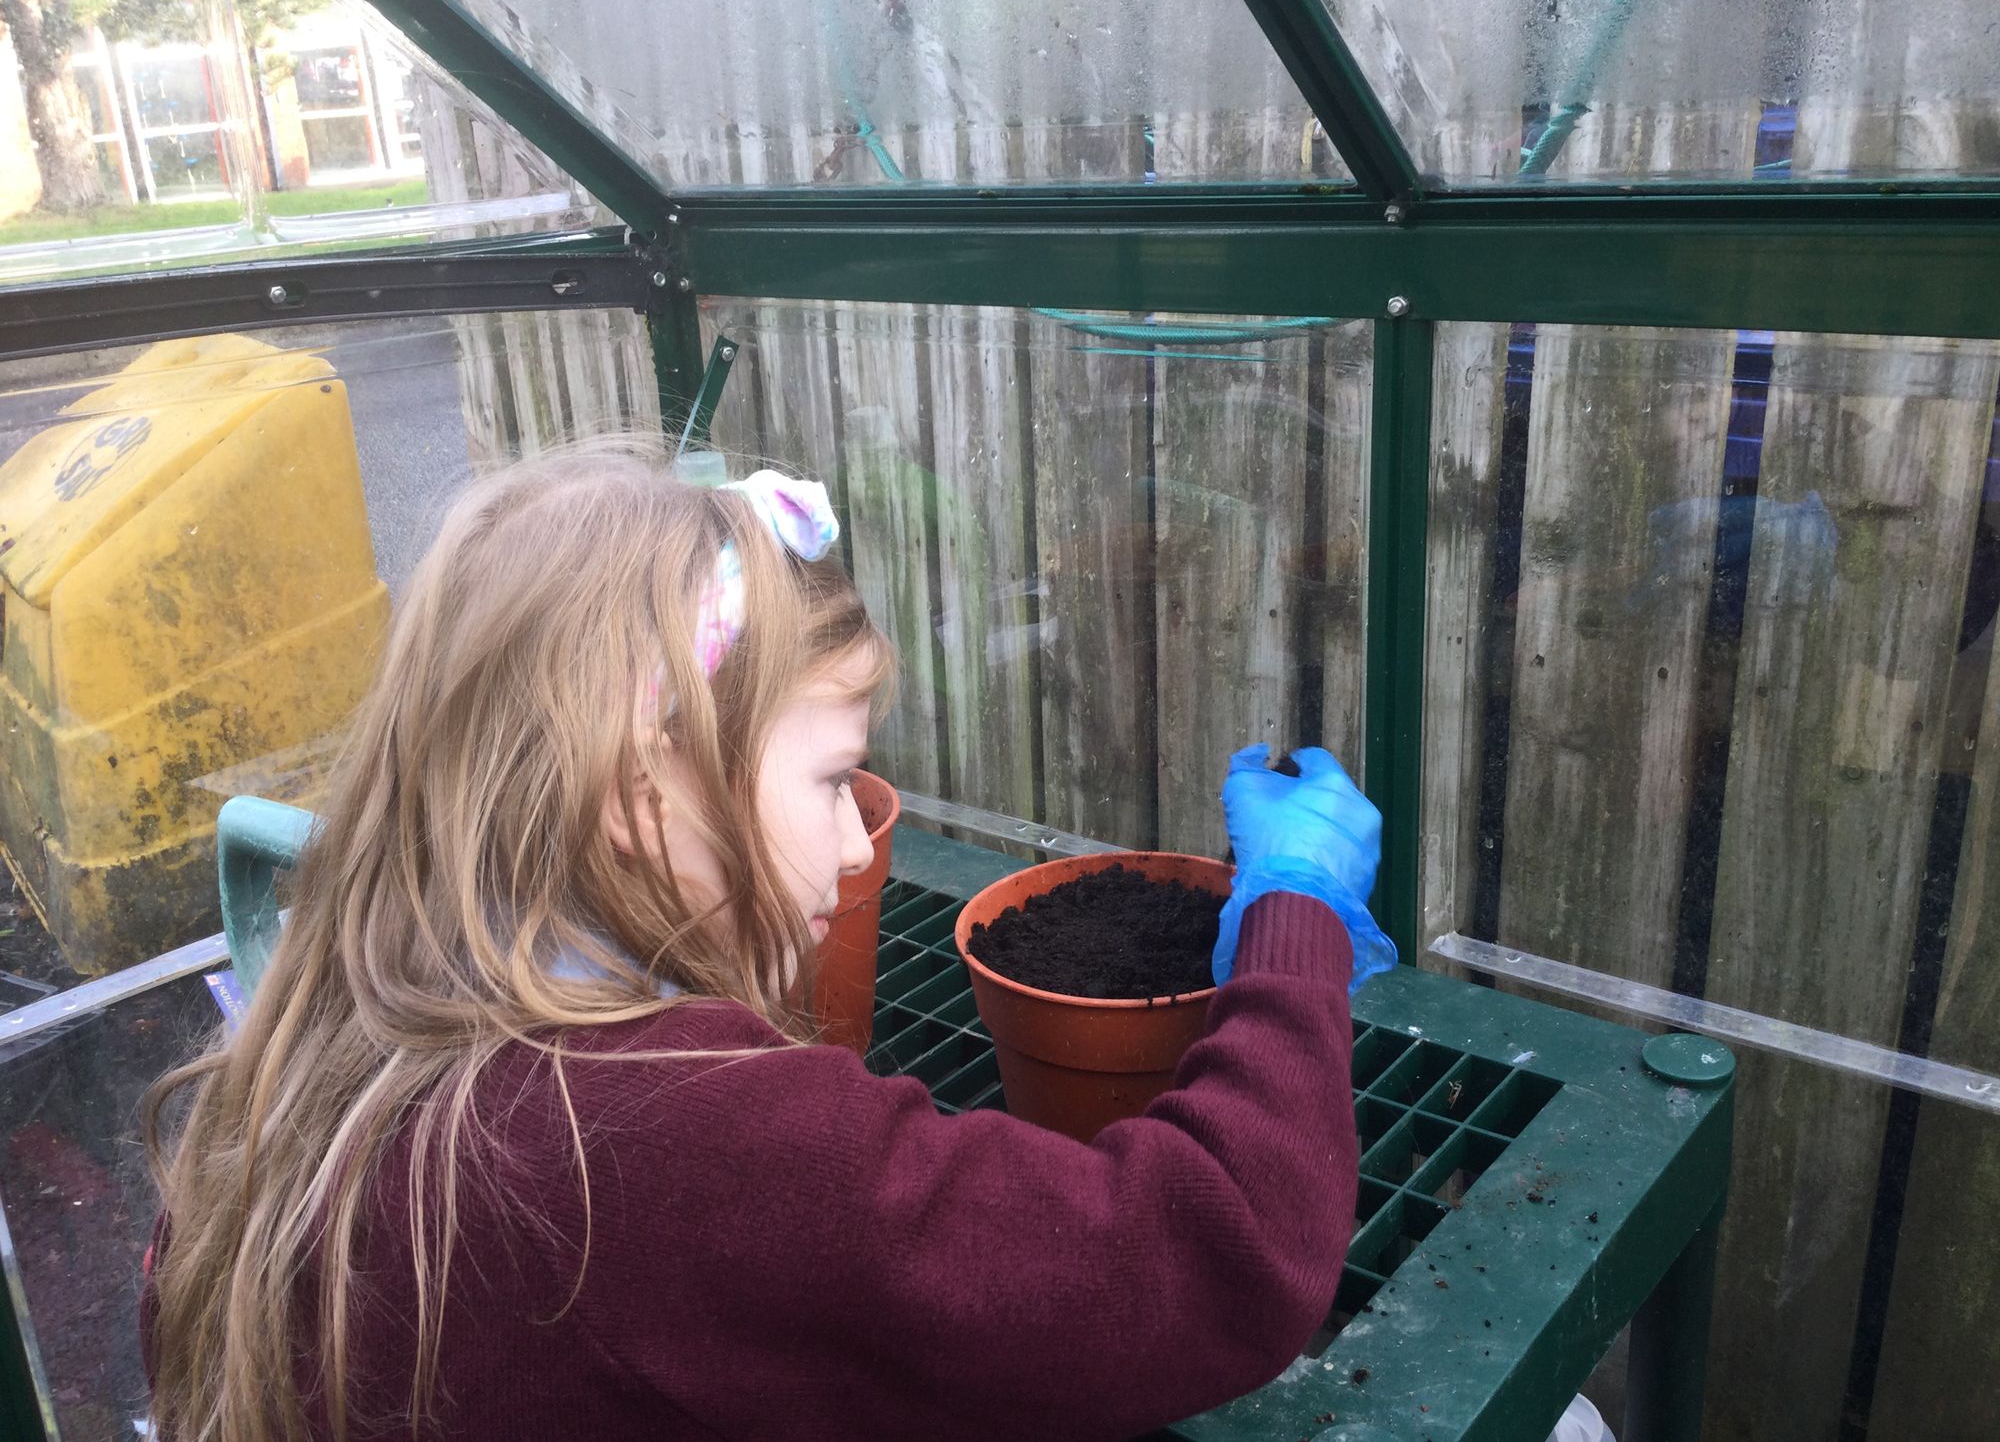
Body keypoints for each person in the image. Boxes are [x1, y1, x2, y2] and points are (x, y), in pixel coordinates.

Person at [141, 437, 1393, 1442]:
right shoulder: (670, 1142)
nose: (859, 844)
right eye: (830, 778)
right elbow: (1207, 1256)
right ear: (641, 795)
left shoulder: (306, 1057)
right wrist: (1293, 914)